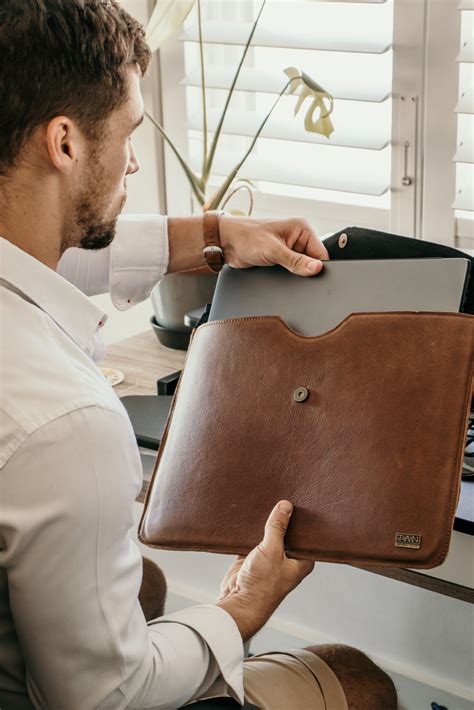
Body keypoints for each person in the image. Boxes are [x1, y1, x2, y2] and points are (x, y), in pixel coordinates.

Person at [0, 1, 397, 708]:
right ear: (63, 142)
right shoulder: (65, 421)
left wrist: (214, 234)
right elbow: (107, 696)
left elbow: (47, 257)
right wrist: (245, 606)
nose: (132, 158)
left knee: (147, 584)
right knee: (358, 678)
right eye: (127, 133)